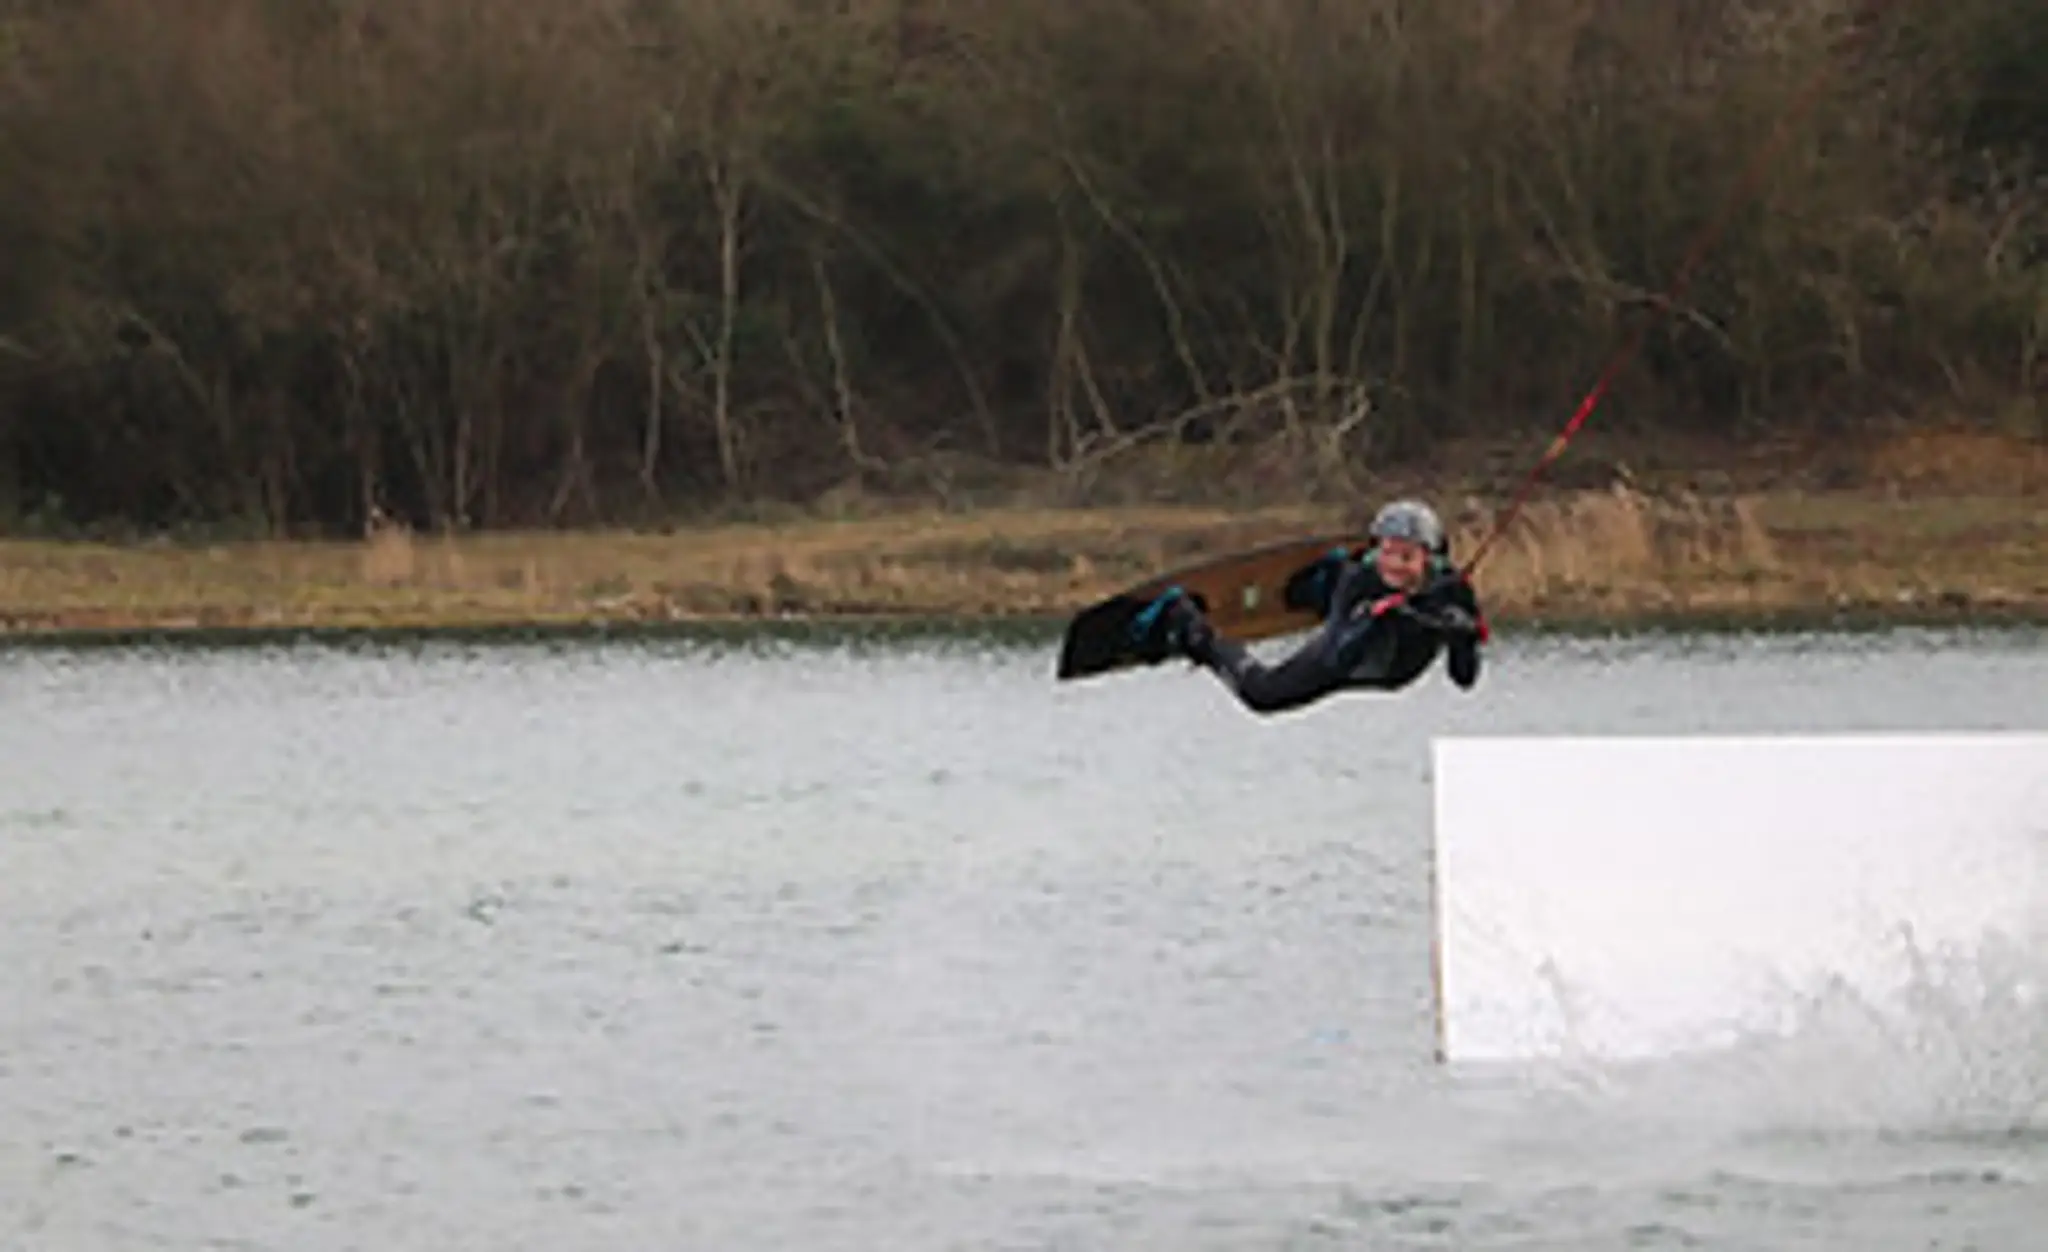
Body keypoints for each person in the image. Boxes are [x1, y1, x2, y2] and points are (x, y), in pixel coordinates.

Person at [1126, 499, 1490, 715]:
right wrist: (1373, 621)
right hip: (1345, 661)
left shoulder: (1452, 590)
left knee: (1412, 628)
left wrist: (1462, 638)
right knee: (1260, 696)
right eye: (1386, 553)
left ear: (1430, 558)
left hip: (1396, 672)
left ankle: (1322, 580)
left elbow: (1464, 680)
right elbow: (1338, 656)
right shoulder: (1361, 581)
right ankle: (1188, 624)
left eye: (1406, 557)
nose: (1393, 565)